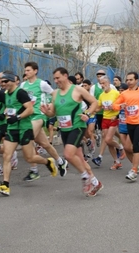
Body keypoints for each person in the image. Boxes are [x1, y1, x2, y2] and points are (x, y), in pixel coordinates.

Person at [0, 72, 57, 196]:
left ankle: (48, 162)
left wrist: (17, 117)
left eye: (5, 81)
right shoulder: (6, 94)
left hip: (24, 128)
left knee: (29, 158)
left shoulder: (21, 93)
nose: (3, 83)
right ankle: (5, 185)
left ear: (12, 81)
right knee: (6, 155)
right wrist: (4, 114)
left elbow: (30, 109)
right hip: (12, 129)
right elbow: (10, 107)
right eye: (1, 81)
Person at [40, 67, 103, 197]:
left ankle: (85, 177)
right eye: (54, 79)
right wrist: (47, 112)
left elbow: (94, 102)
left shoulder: (77, 89)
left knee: (68, 155)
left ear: (66, 76)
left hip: (77, 126)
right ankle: (96, 183)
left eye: (58, 78)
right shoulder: (55, 93)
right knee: (79, 158)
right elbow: (54, 112)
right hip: (64, 129)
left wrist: (87, 113)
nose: (56, 81)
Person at [21, 62, 67, 180]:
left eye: (28, 70)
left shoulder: (41, 84)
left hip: (38, 114)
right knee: (45, 144)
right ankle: (60, 161)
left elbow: (54, 93)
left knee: (29, 139)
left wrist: (51, 104)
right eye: (25, 70)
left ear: (35, 71)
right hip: (28, 117)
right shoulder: (23, 85)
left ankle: (34, 170)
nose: (26, 72)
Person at [112, 72, 139, 182]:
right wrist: (120, 106)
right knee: (130, 147)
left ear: (136, 80)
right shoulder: (124, 94)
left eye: (131, 80)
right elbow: (114, 105)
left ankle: (134, 171)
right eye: (127, 80)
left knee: (136, 146)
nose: (128, 82)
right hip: (129, 123)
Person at [94, 76, 125, 170]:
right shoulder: (101, 95)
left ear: (108, 83)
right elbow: (99, 107)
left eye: (104, 83)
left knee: (108, 139)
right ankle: (117, 161)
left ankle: (120, 148)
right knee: (108, 141)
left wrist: (115, 108)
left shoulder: (115, 93)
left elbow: (122, 105)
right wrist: (92, 110)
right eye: (101, 84)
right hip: (105, 118)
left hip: (113, 118)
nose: (102, 85)